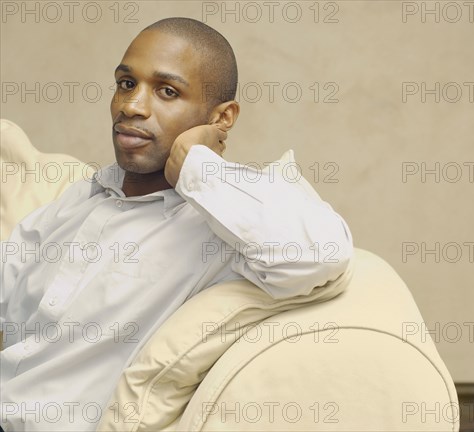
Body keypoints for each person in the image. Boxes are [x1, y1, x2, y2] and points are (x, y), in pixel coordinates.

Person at [0, 17, 353, 431]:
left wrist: (198, 165)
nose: (131, 106)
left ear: (222, 118)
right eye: (126, 83)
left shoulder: (222, 222)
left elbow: (320, 256)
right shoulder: (81, 198)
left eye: (167, 91)